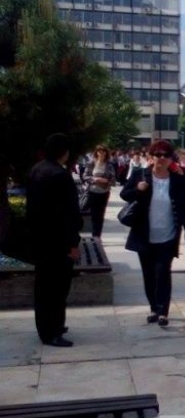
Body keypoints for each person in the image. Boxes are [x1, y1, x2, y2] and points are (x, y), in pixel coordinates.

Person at [120, 140, 185, 326]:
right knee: (148, 274)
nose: (161, 159)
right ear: (151, 157)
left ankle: (163, 311)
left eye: (166, 155)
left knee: (163, 272)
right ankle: (153, 308)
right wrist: (137, 189)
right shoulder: (141, 174)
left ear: (171, 159)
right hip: (144, 233)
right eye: (158, 155)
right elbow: (124, 194)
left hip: (168, 234)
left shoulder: (178, 178)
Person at [27, 133, 82, 347]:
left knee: (43, 287)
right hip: (58, 243)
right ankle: (53, 330)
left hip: (40, 240)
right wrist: (72, 244)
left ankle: (45, 326)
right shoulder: (60, 175)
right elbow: (68, 215)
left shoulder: (37, 169)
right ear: (64, 152)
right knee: (57, 289)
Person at [83, 145, 116, 239]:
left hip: (104, 192)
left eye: (103, 151)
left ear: (106, 153)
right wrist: (95, 179)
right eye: (99, 151)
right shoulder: (91, 163)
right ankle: (94, 235)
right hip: (93, 191)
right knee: (93, 215)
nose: (101, 153)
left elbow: (113, 180)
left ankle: (97, 236)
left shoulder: (109, 165)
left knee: (100, 215)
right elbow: (85, 176)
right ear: (96, 152)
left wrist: (106, 181)